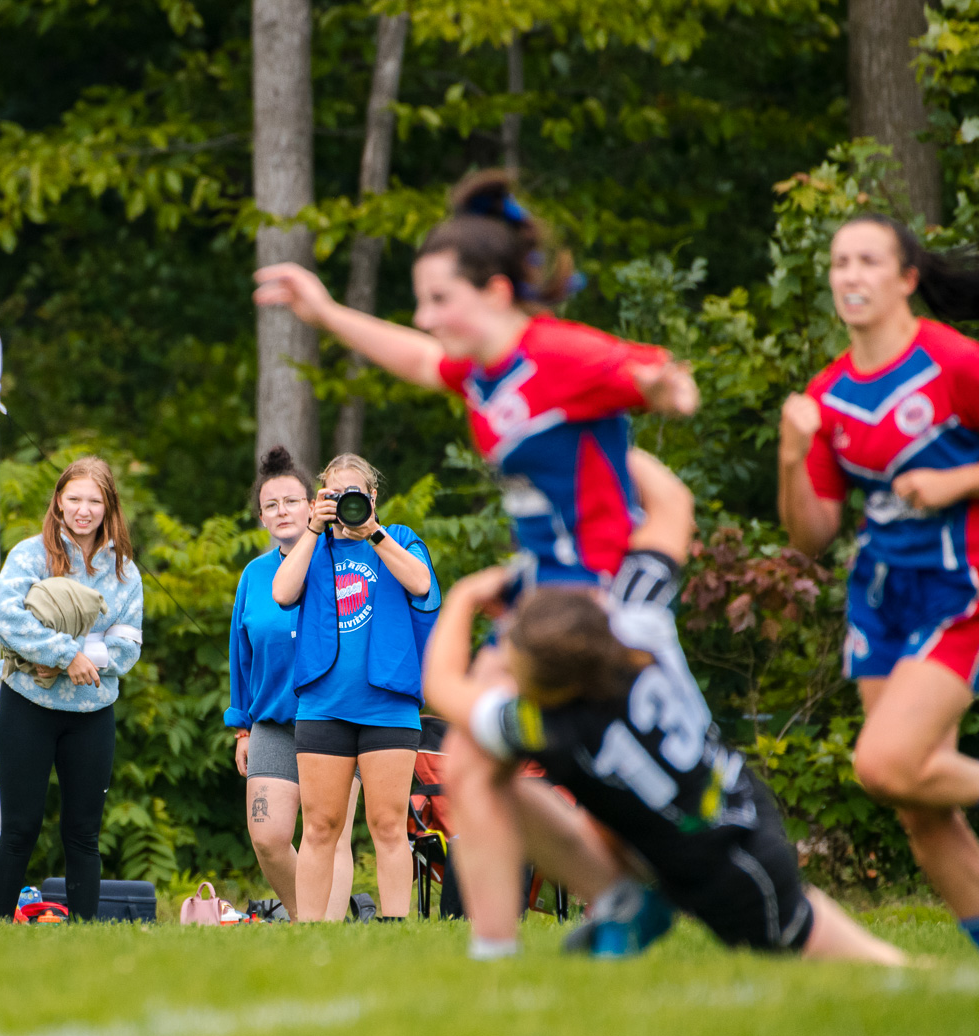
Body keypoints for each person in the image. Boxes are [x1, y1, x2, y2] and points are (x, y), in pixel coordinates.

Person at [253, 169, 702, 950]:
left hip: (605, 600)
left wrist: (660, 388)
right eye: (420, 305)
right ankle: (512, 948)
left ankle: (649, 878)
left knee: (639, 777)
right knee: (470, 764)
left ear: (493, 291)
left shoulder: (563, 354)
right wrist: (323, 311)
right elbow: (419, 360)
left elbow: (667, 384)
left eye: (437, 301)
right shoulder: (485, 372)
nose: (426, 319)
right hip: (543, 599)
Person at [424, 570, 907, 964]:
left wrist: (464, 598)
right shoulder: (640, 648)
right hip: (733, 818)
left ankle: (912, 975)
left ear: (544, 681)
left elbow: (442, 688)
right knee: (810, 919)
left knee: (826, 948)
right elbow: (673, 508)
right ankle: (626, 899)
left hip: (725, 870)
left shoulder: (553, 725)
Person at [777, 213, 979, 953]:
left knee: (885, 763)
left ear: (906, 280)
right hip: (881, 601)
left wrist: (959, 477)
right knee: (916, 807)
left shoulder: (953, 362)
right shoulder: (826, 394)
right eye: (839, 263)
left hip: (961, 589)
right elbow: (812, 535)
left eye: (868, 261)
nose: (851, 275)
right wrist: (793, 454)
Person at [270, 453, 439, 921]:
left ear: (372, 496)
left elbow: (422, 584)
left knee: (388, 825)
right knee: (320, 827)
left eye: (355, 494)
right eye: (334, 494)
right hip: (324, 707)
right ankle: (310, 931)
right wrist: (310, 528)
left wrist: (375, 533)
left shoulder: (400, 539)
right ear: (322, 498)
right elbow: (282, 593)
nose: (346, 502)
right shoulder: (314, 547)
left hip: (389, 707)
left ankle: (395, 927)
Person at [0, 457, 144, 923]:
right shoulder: (29, 555)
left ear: (109, 506)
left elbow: (128, 646)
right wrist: (67, 653)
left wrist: (75, 657)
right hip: (26, 708)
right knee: (19, 828)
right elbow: (6, 617)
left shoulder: (125, 574)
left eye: (94, 500)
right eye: (74, 498)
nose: (83, 509)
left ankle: (84, 936)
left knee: (83, 833)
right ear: (58, 501)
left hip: (92, 716)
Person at [226, 446, 362, 920]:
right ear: (261, 517)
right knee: (268, 837)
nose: (281, 511)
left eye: (291, 501)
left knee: (332, 835)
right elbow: (240, 656)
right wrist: (242, 728)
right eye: (271, 505)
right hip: (274, 723)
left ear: (313, 505)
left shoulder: (344, 563)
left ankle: (325, 934)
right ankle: (309, 921)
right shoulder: (253, 575)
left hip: (338, 719)